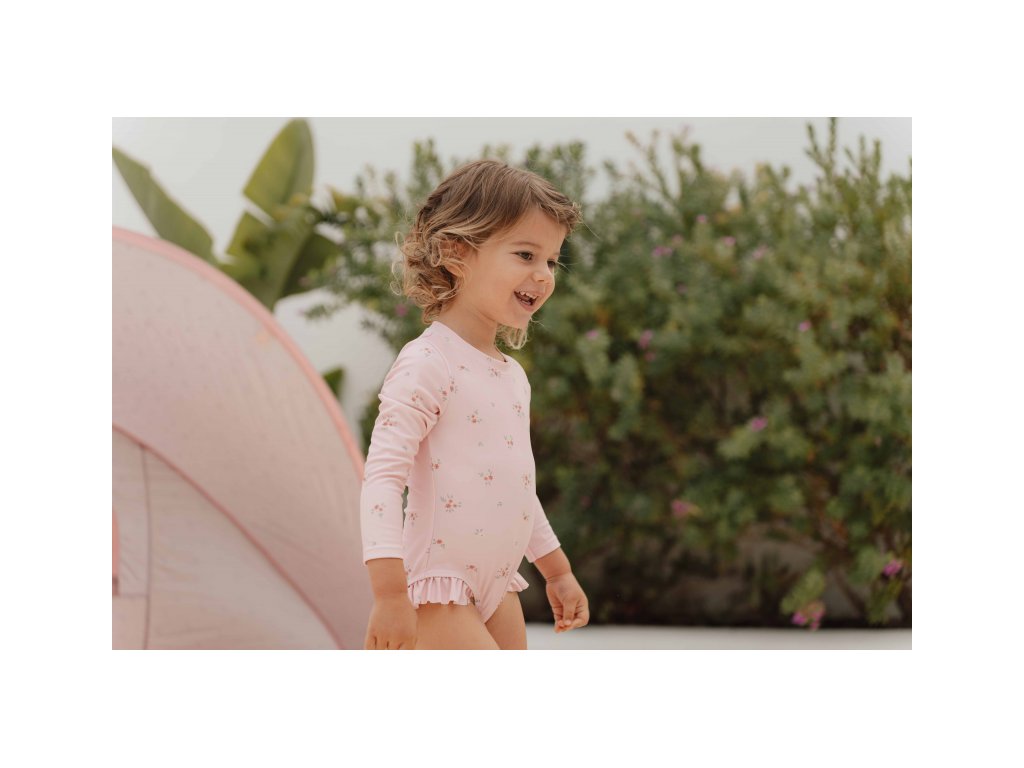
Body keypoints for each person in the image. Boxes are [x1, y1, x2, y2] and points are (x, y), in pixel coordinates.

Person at [360, 159, 590, 649]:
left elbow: (515, 485)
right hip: (437, 588)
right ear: (455, 252)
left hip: (499, 585)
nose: (543, 275)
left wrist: (557, 570)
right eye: (526, 254)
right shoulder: (428, 363)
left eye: (552, 261)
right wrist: (390, 593)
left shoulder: (512, 377)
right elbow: (382, 479)